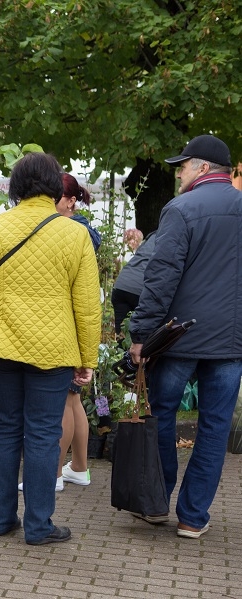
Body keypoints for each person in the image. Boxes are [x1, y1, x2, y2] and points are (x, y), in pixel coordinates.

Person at [0, 152, 100, 545]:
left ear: (16, 186)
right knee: (42, 434)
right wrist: (88, 359)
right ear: (56, 186)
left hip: (0, 347)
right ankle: (39, 526)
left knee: (4, 430)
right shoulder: (75, 234)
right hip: (54, 351)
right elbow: (88, 305)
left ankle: (0, 519)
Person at [129, 134, 242, 539]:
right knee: (214, 427)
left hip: (180, 339)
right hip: (231, 343)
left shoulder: (181, 209)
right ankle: (193, 517)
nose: (179, 173)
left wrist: (141, 333)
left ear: (203, 168)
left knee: (161, 414)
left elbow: (160, 278)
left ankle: (156, 503)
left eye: (184, 165)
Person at [56, 173, 100, 490]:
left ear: (71, 201)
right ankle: (79, 468)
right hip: (74, 325)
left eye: (54, 198)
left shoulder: (72, 232)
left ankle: (54, 474)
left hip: (67, 324)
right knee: (73, 400)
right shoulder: (84, 230)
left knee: (62, 401)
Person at [112, 230, 158, 338]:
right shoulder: (172, 238)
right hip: (141, 289)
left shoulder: (152, 236)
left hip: (121, 285)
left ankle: (119, 352)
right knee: (141, 337)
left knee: (122, 336)